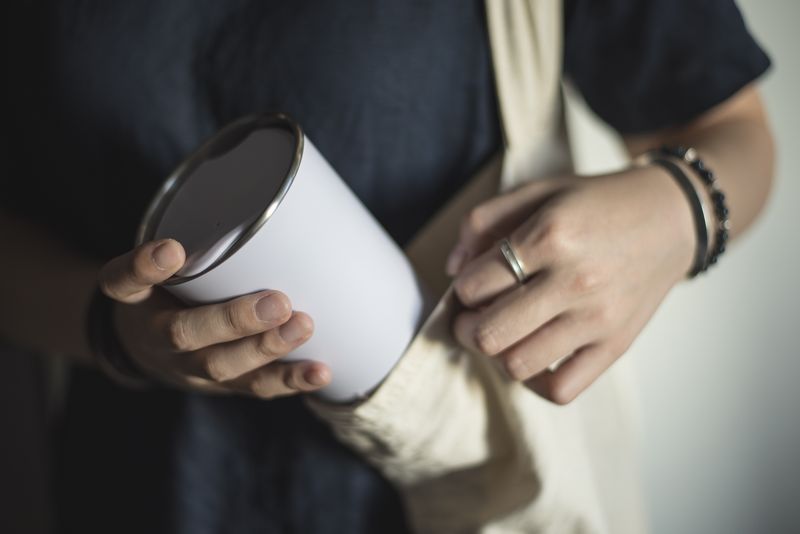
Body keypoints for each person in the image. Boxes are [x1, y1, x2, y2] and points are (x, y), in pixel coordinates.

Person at [1, 0, 773, 532]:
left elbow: (734, 134)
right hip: (140, 488)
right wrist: (114, 329)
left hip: (472, 482)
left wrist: (678, 210)